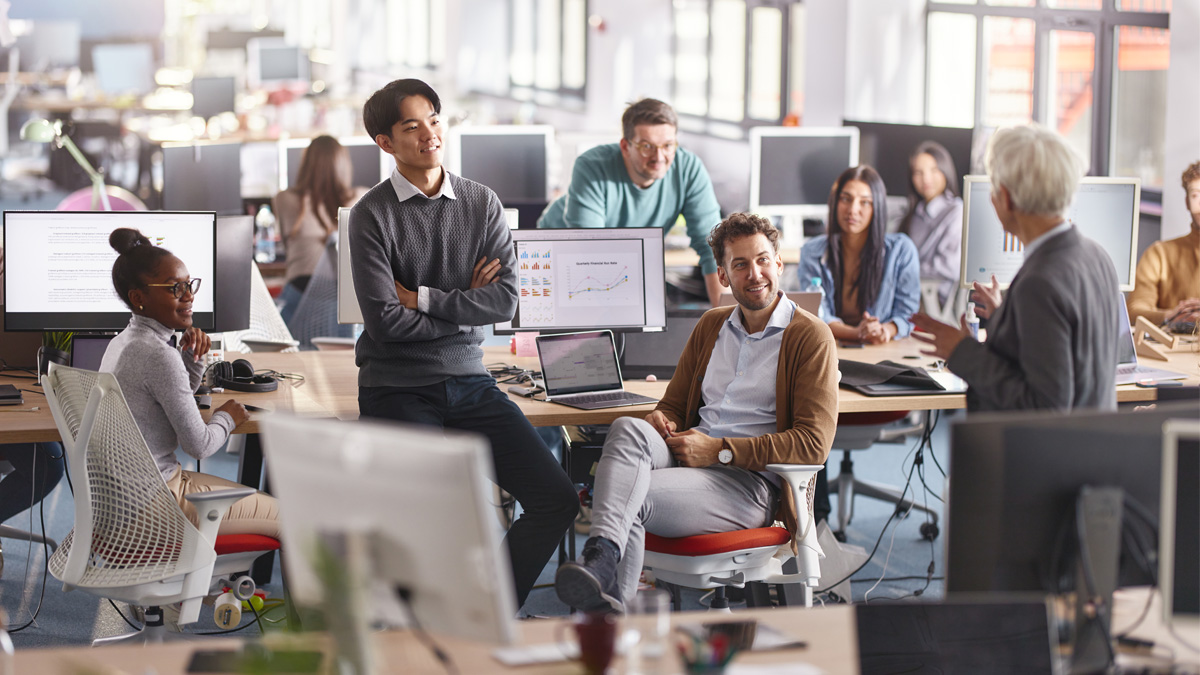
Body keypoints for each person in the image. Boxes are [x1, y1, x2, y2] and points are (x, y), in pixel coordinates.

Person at [350, 78, 577, 612]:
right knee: (425, 519)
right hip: (398, 386)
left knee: (556, 499)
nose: (429, 133)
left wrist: (424, 300)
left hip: (471, 383)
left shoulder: (481, 202)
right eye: (412, 126)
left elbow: (503, 304)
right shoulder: (371, 215)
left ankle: (487, 608)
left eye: (434, 119)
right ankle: (418, 629)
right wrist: (465, 309)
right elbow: (385, 324)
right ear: (385, 142)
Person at [553, 212, 838, 612]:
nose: (754, 273)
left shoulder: (810, 336)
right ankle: (603, 561)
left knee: (627, 497)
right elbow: (674, 404)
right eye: (740, 265)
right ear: (723, 275)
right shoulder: (712, 325)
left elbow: (813, 446)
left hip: (746, 485)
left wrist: (720, 450)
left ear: (779, 262)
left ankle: (610, 615)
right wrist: (662, 419)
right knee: (628, 428)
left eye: (761, 260)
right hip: (690, 459)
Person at [911, 124, 1122, 412]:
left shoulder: (1040, 282)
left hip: (1042, 454)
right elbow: (1072, 356)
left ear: (1006, 199)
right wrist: (1006, 318)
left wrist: (961, 351)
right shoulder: (1097, 255)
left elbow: (1045, 405)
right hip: (1089, 446)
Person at [100, 228, 279, 539]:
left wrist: (193, 357)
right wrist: (228, 417)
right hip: (154, 503)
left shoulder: (125, 341)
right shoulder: (156, 354)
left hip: (124, 500)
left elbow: (172, 391)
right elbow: (199, 445)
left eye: (189, 284)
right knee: (286, 515)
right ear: (138, 298)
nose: (189, 295)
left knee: (252, 499)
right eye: (175, 288)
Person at [538, 99, 726, 306]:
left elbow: (712, 247)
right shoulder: (592, 165)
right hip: (563, 255)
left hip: (627, 264)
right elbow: (590, 248)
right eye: (647, 146)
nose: (659, 157)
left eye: (668, 145)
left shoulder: (688, 168)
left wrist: (726, 324)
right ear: (626, 147)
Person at [798, 165, 921, 345]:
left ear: (876, 207)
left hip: (883, 349)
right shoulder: (812, 252)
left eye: (865, 202)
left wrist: (884, 330)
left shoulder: (901, 250)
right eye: (846, 199)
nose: (852, 210)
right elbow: (816, 315)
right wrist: (859, 333)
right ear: (835, 203)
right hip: (831, 348)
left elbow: (907, 314)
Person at [273, 135, 369, 323]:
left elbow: (286, 243)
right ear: (343, 165)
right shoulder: (363, 197)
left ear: (307, 164)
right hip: (347, 298)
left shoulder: (284, 199)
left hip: (299, 297)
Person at [1126, 160, 1200, 328]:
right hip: (1173, 351)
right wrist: (1171, 317)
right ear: (1187, 202)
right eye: (1196, 195)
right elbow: (1135, 310)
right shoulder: (1159, 254)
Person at [898, 141, 963, 305]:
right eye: (918, 172)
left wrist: (906, 271)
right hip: (909, 291)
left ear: (945, 171)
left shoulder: (956, 212)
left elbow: (949, 266)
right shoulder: (915, 213)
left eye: (934, 170)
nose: (926, 179)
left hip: (934, 299)